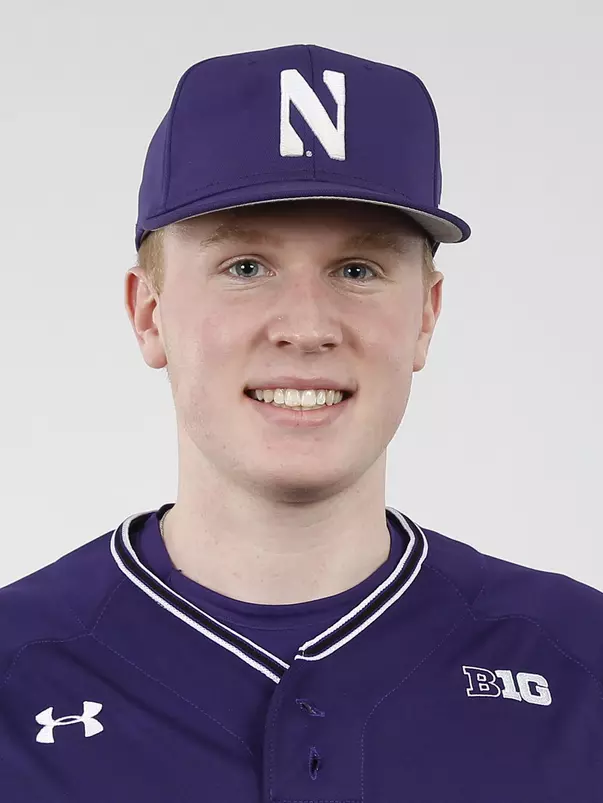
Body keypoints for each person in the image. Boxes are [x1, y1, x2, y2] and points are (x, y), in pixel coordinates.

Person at [1, 43, 602, 802]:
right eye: (245, 266)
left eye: (358, 270)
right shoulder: (16, 670)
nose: (307, 327)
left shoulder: (581, 663)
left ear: (425, 316)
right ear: (148, 313)